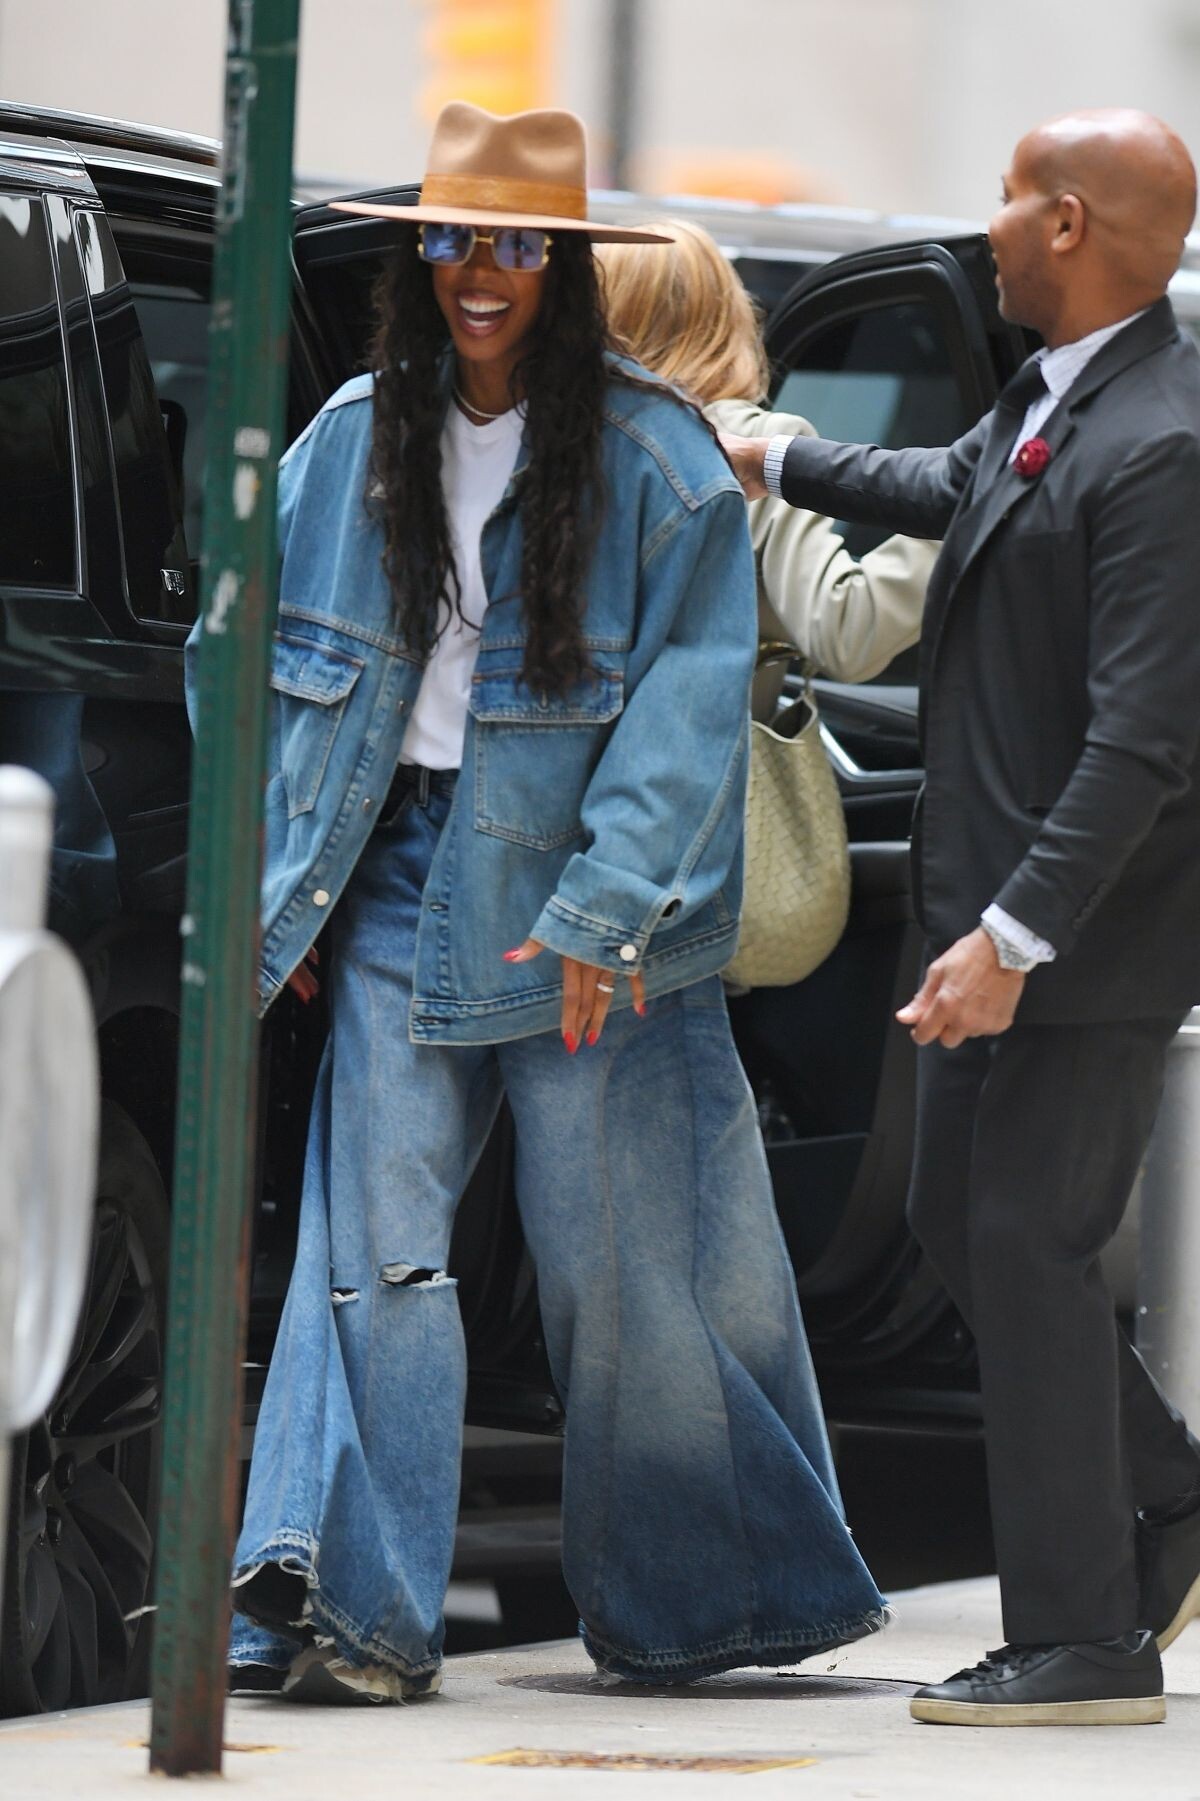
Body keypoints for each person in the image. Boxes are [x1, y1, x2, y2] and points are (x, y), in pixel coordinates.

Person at [196, 102, 886, 1706]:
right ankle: (343, 1607)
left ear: (564, 267)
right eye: (453, 239)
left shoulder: (661, 462)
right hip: (391, 877)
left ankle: (704, 1600)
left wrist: (609, 910)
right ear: (420, 258)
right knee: (371, 1254)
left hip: (588, 910)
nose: (480, 271)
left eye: (516, 243)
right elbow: (236, 653)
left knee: (633, 1270)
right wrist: (287, 888)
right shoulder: (347, 439)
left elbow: (690, 713)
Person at [723, 108, 1200, 1728]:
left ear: (1067, 224)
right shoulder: (1055, 395)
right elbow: (945, 484)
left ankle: (1083, 1640)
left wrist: (1016, 939)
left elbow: (1144, 742)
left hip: (1082, 944)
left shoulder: (1165, 442)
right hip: (986, 921)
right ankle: (1169, 1490)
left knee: (1027, 1246)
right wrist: (774, 457)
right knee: (956, 1223)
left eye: (1005, 199)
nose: (985, 225)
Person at [596, 219, 938, 701]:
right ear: (725, 316)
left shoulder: (562, 436)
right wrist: (964, 502)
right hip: (702, 744)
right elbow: (846, 631)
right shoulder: (748, 441)